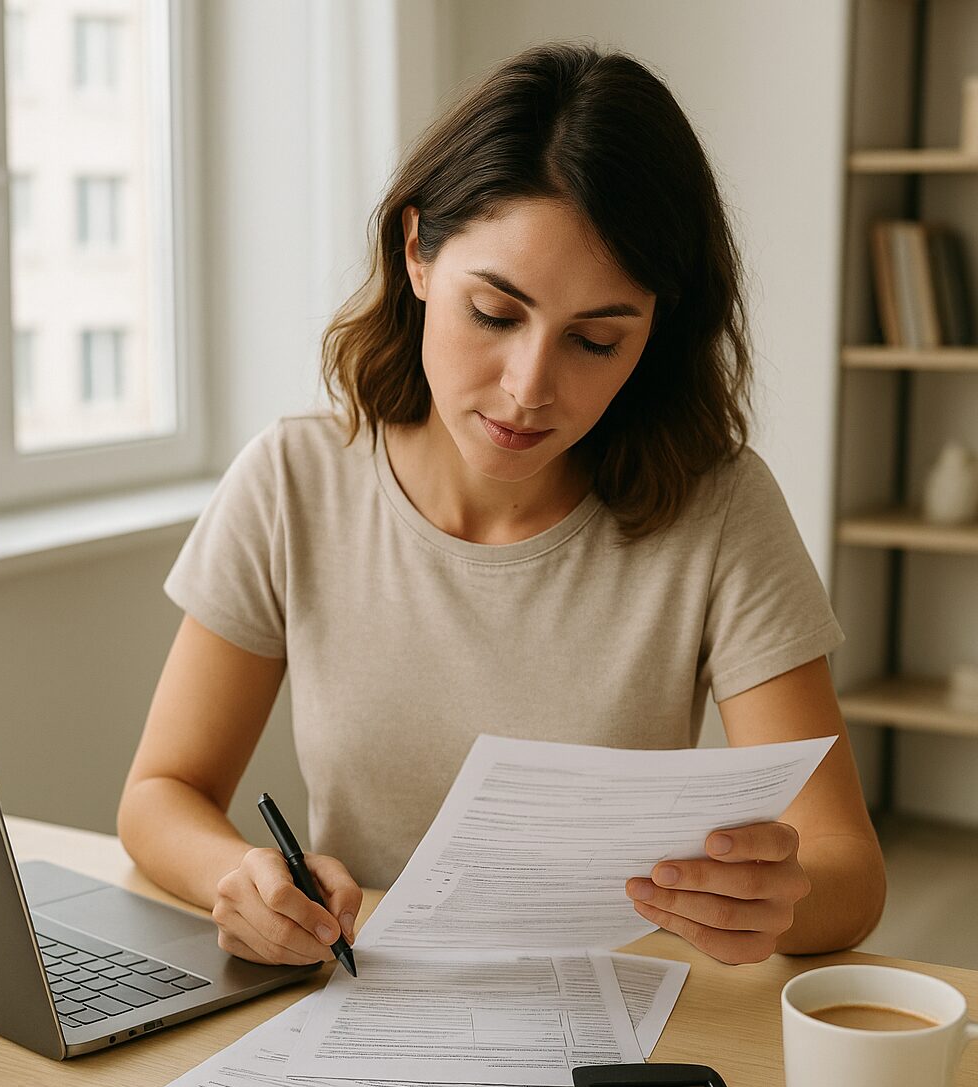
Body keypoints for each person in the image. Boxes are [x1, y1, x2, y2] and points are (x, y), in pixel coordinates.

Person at [118, 41, 885, 970]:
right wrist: (238, 876)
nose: (529, 388)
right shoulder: (293, 482)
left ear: (654, 335)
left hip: (603, 1010)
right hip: (361, 1002)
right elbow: (161, 791)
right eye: (495, 313)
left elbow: (847, 868)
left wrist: (775, 903)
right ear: (417, 254)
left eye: (596, 341)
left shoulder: (717, 509)